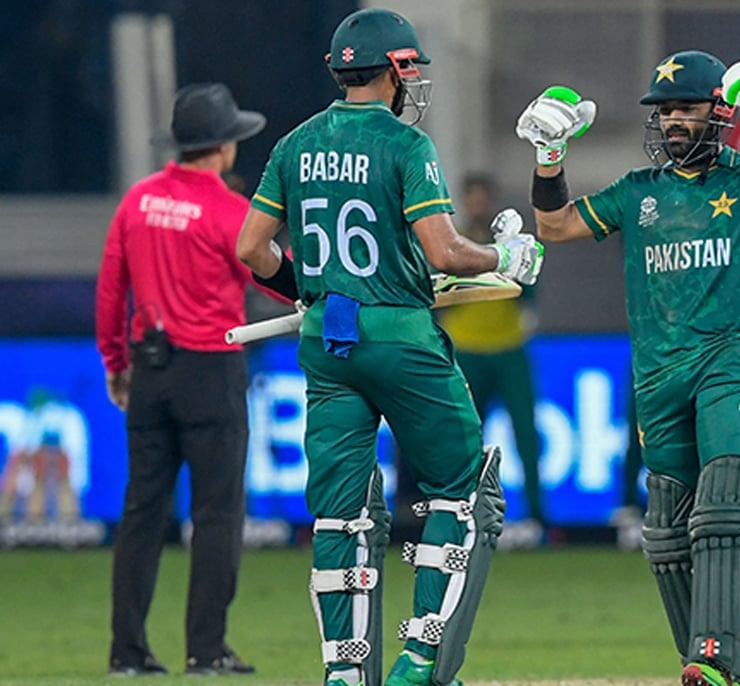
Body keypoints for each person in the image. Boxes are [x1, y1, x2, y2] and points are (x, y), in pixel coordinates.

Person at [235, 9, 544, 686]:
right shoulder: (406, 146)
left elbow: (251, 249)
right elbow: (444, 251)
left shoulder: (294, 144)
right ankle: (421, 661)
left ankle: (345, 674)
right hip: (401, 337)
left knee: (340, 514)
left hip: (326, 340)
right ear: (397, 69)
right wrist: (507, 254)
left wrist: (306, 291)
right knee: (464, 496)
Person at [518, 51, 740, 686]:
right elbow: (553, 226)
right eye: (663, 112)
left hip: (728, 363)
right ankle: (706, 665)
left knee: (728, 507)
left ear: (718, 112)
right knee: (668, 528)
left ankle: (717, 657)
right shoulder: (639, 193)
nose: (671, 122)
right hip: (657, 376)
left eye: (685, 108)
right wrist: (549, 157)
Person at [95, 82, 269, 676]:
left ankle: (127, 650)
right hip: (212, 370)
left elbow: (111, 286)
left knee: (142, 512)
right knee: (217, 513)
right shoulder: (228, 209)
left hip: (151, 367)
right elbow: (270, 276)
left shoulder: (138, 201)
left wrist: (116, 362)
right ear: (222, 147)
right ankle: (206, 648)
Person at [437, 173, 547, 548]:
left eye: (483, 198)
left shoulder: (511, 245)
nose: (478, 206)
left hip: (509, 347)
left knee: (526, 436)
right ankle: (461, 513)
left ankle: (536, 516)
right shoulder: (451, 244)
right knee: (465, 439)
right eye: (472, 199)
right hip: (466, 350)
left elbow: (530, 287)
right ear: (465, 203)